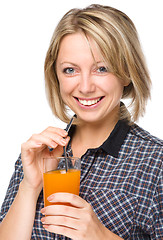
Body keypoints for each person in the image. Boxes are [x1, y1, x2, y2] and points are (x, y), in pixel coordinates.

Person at [0, 4, 162, 240]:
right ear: (55, 75)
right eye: (70, 70)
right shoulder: (39, 154)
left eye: (102, 68)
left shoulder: (155, 163)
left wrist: (102, 236)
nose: (85, 87)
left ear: (127, 72)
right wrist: (29, 186)